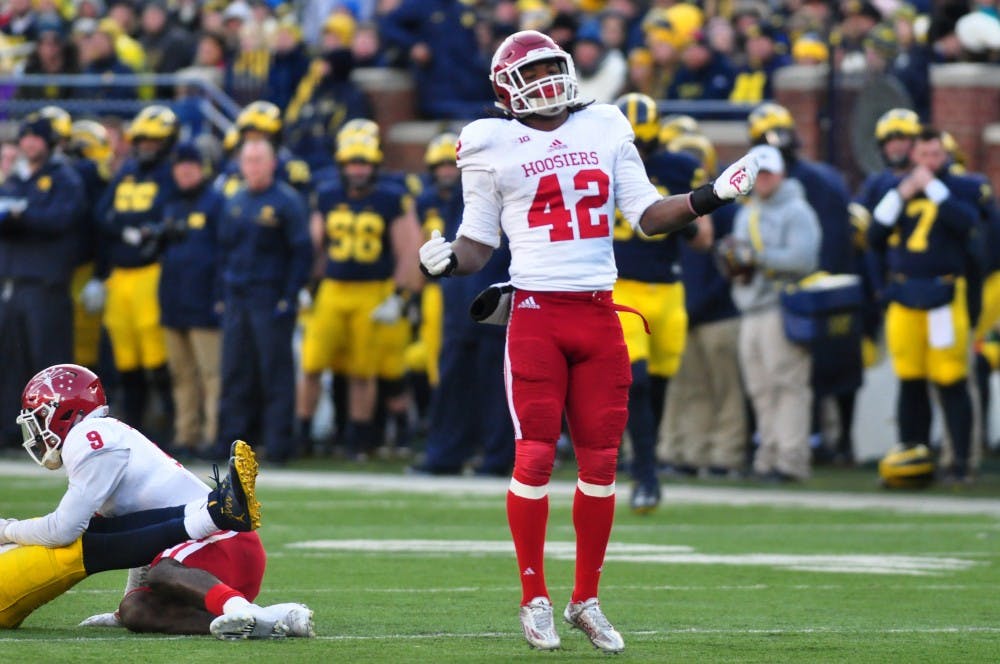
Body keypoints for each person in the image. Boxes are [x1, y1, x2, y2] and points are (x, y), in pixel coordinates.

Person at [417, 29, 758, 653]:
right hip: (537, 315)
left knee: (602, 464)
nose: (545, 80)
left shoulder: (604, 123)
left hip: (600, 313)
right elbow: (478, 242)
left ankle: (585, 599)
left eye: (551, 66)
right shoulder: (488, 139)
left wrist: (712, 196)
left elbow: (647, 215)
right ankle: (534, 599)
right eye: (531, 72)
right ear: (505, 88)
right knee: (535, 457)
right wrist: (445, 261)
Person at [0, 363, 313, 638]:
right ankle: (267, 620)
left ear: (63, 411)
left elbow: (64, 530)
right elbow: (136, 539)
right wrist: (124, 608)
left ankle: (245, 610)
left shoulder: (88, 437)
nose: (35, 431)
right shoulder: (100, 436)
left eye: (39, 418)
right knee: (135, 609)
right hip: (201, 560)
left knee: (161, 572)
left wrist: (7, 530)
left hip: (224, 539)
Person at [611, 92, 711, 513]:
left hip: (668, 291)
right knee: (635, 381)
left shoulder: (678, 167)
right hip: (622, 290)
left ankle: (643, 462)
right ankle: (645, 474)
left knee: (659, 387)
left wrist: (679, 218)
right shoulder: (598, 164)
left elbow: (704, 240)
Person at [298, 122, 422, 461]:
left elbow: (409, 249)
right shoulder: (326, 194)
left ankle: (358, 440)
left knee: (362, 372)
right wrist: (306, 286)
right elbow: (314, 247)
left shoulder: (391, 197)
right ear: (341, 164)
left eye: (364, 163)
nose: (358, 170)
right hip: (333, 289)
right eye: (352, 163)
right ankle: (302, 434)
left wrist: (399, 296)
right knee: (311, 363)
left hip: (372, 291)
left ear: (375, 164)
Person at [867, 128, 979, 484]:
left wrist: (932, 187)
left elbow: (966, 224)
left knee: (950, 379)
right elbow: (874, 235)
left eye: (936, 154)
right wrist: (902, 193)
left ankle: (959, 462)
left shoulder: (960, 186)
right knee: (910, 380)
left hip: (944, 294)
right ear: (913, 156)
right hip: (905, 294)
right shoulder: (896, 188)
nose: (930, 162)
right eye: (924, 155)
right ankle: (914, 459)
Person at [409, 132, 514, 477]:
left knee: (497, 387)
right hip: (457, 305)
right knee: (453, 384)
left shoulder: (506, 191)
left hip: (494, 303)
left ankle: (498, 457)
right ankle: (446, 455)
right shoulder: (456, 196)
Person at [721, 145, 821, 482]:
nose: (763, 180)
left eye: (768, 174)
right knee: (760, 388)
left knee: (788, 384)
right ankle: (768, 456)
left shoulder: (797, 210)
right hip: (751, 306)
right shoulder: (746, 212)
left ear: (781, 174)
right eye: (758, 175)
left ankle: (791, 460)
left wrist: (758, 259)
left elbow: (803, 259)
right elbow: (739, 258)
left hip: (782, 305)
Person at [215, 138, 312, 464]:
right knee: (235, 371)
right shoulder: (235, 200)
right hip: (237, 296)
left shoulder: (287, 201)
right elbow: (224, 251)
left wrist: (289, 295)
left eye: (259, 160)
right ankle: (231, 443)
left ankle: (278, 445)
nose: (253, 167)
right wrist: (222, 294)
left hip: (270, 296)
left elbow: (301, 251)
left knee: (275, 372)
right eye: (248, 160)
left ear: (272, 163)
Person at [0, 113, 87, 451]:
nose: (30, 143)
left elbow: (61, 219)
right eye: (26, 137)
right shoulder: (17, 178)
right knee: (12, 362)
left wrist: (20, 215)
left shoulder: (65, 178)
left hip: (46, 284)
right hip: (14, 282)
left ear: (49, 142)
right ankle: (12, 433)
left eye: (36, 137)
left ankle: (56, 435)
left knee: (49, 366)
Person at [158, 142, 225, 456]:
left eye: (190, 166)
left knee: (211, 374)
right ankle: (186, 435)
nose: (184, 172)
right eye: (179, 167)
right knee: (181, 374)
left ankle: (214, 436)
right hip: (174, 300)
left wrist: (219, 296)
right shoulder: (171, 203)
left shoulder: (215, 203)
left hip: (204, 301)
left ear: (201, 168)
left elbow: (224, 253)